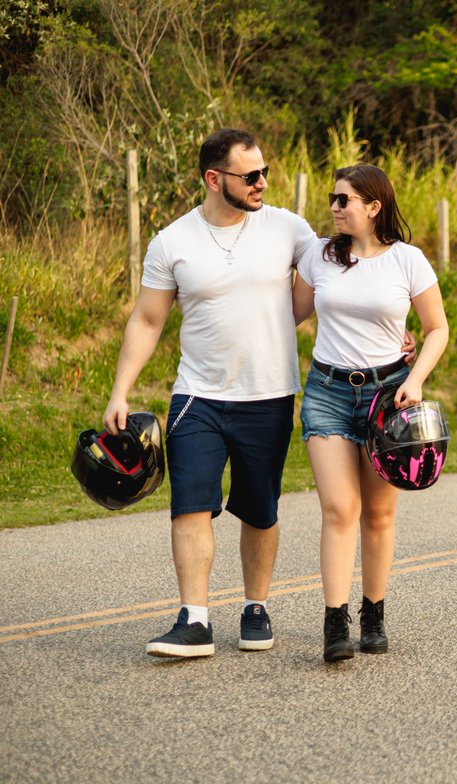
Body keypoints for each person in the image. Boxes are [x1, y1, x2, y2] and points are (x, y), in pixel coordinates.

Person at [102, 129, 402, 658]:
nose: (264, 182)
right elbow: (147, 319)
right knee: (189, 504)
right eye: (251, 175)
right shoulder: (172, 241)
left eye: (266, 171)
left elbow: (347, 269)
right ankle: (194, 619)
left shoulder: (288, 229)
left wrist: (391, 331)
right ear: (214, 179)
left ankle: (254, 607)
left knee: (259, 510)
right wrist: (120, 390)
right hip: (197, 394)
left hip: (269, 395)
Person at [292, 164, 449, 664]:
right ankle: (335, 623)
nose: (335, 207)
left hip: (388, 398)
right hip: (327, 392)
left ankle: (373, 614)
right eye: (333, 199)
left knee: (379, 514)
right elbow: (287, 314)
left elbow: (437, 329)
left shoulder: (408, 260)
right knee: (340, 509)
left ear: (373, 206)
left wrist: (416, 378)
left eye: (345, 200)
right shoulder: (318, 255)